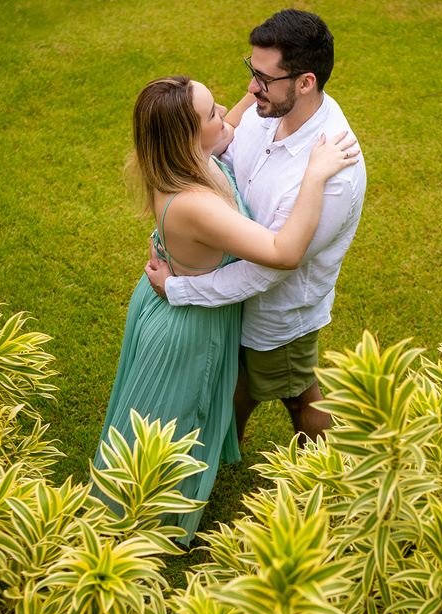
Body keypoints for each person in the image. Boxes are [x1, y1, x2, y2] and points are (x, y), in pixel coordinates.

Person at [94, 75, 357, 544]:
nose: (230, 115)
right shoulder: (196, 203)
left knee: (176, 413)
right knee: (167, 420)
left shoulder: (181, 160)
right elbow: (281, 252)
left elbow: (230, 119)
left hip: (173, 296)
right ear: (190, 139)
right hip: (186, 327)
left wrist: (263, 83)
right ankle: (140, 528)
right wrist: (315, 173)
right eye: (213, 112)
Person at [146, 9, 366, 447]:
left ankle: (321, 476)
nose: (250, 88)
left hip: (277, 314)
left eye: (263, 79)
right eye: (252, 71)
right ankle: (215, 460)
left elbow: (272, 268)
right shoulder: (266, 108)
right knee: (234, 389)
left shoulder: (333, 173)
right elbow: (227, 153)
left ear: (305, 82)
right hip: (236, 302)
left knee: (298, 398)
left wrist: (180, 290)